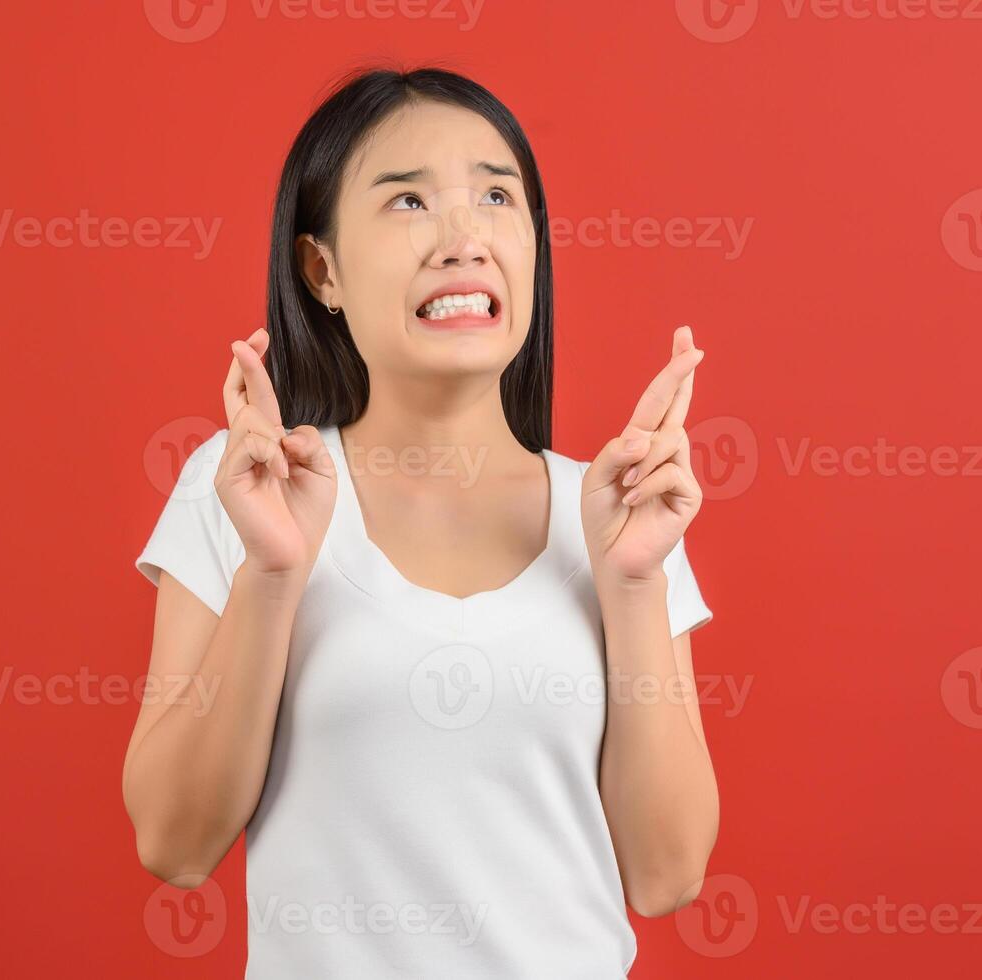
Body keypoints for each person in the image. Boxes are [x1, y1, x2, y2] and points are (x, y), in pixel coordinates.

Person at [123, 65, 719, 979]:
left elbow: (666, 875)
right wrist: (273, 575)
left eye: (494, 195)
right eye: (407, 202)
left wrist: (632, 582)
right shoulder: (246, 487)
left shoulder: (617, 512)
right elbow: (174, 841)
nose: (463, 237)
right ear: (322, 269)